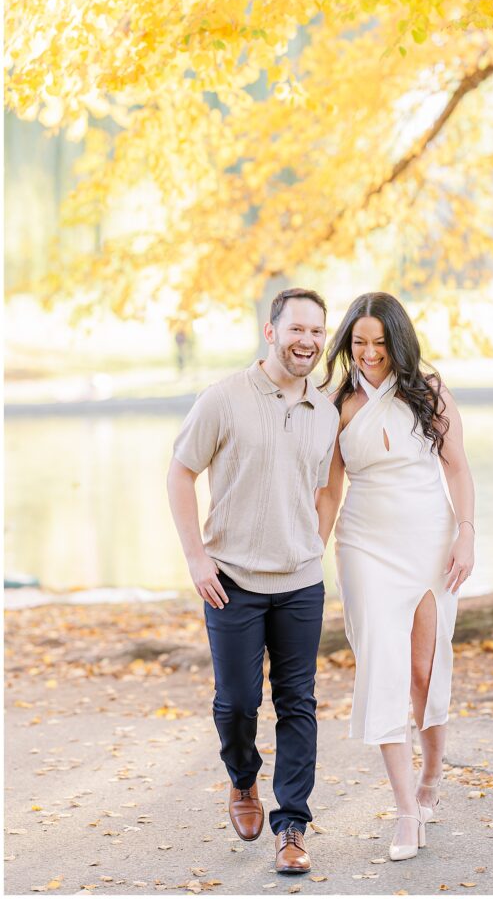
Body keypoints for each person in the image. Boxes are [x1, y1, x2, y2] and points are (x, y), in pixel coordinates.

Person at [167, 288, 339, 875]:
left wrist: (313, 543)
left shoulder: (327, 411)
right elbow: (180, 473)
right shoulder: (224, 398)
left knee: (298, 703)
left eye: (317, 332)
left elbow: (322, 490)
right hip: (231, 579)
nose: (307, 342)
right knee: (237, 702)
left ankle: (291, 825)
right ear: (271, 332)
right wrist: (196, 558)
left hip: (301, 582)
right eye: (297, 330)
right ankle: (243, 780)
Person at [316, 292, 475, 861]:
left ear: (398, 342)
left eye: (380, 343)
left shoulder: (429, 392)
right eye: (358, 343)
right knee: (383, 666)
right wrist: (313, 549)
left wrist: (467, 532)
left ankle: (432, 772)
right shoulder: (339, 403)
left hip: (429, 538)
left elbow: (457, 467)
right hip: (364, 545)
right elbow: (331, 490)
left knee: (422, 669)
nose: (369, 353)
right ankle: (406, 813)